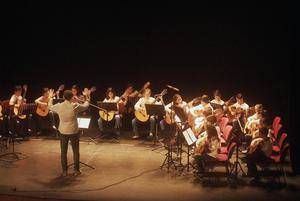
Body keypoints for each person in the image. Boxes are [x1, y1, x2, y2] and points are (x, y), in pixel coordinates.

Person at [48, 89, 90, 177]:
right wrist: (86, 96)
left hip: (63, 131)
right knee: (75, 151)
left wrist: (51, 97)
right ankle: (76, 170)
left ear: (63, 97)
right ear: (72, 97)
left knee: (63, 152)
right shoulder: (75, 105)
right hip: (73, 131)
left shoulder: (59, 106)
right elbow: (86, 105)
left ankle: (64, 171)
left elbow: (49, 106)